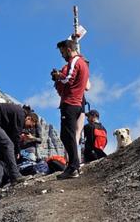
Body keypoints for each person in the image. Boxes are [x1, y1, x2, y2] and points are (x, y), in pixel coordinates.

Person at [0, 101, 38, 197]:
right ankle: (15, 176)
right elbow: (15, 137)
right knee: (8, 145)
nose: (29, 128)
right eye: (30, 125)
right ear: (29, 118)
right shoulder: (21, 114)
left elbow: (9, 132)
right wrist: (17, 151)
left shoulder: (15, 114)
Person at [51, 39, 90, 179]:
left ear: (68, 49)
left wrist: (57, 77)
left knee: (68, 135)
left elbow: (68, 78)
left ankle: (74, 167)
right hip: (78, 103)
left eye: (62, 52)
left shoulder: (74, 61)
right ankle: (74, 166)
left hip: (70, 103)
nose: (62, 56)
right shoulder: (84, 63)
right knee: (68, 135)